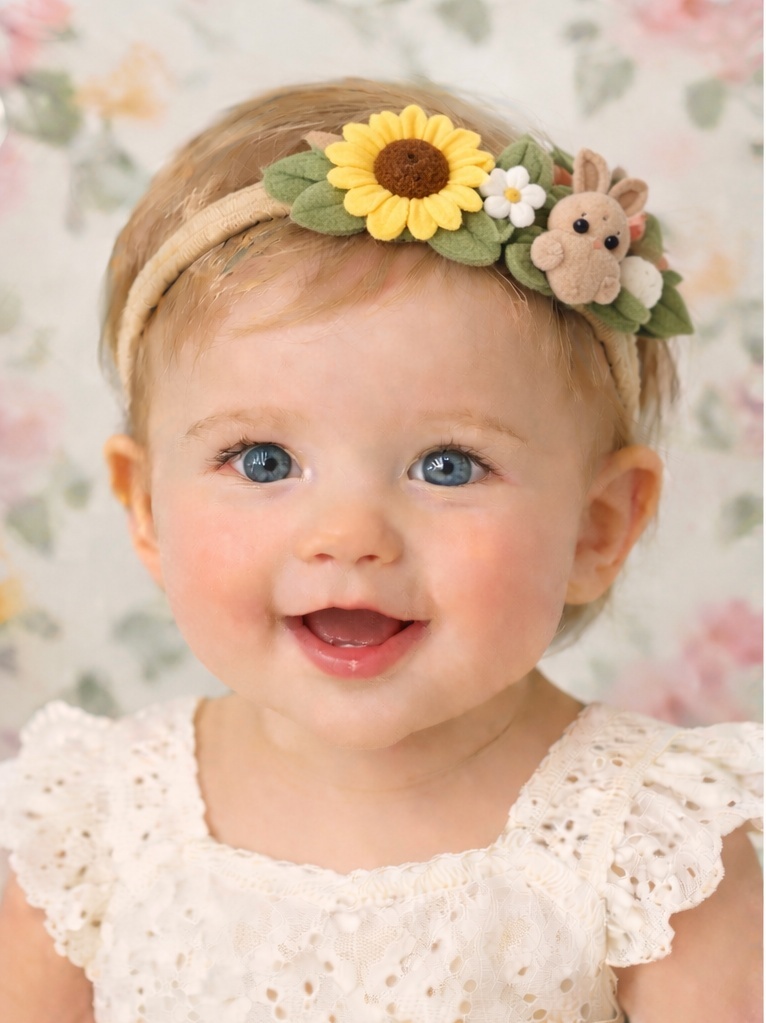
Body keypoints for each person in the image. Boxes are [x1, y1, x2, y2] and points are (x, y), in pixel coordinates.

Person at [0, 78, 761, 1023]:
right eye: (263, 459)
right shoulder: (93, 824)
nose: (349, 536)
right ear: (145, 506)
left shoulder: (652, 845)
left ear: (596, 526)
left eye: (448, 465)